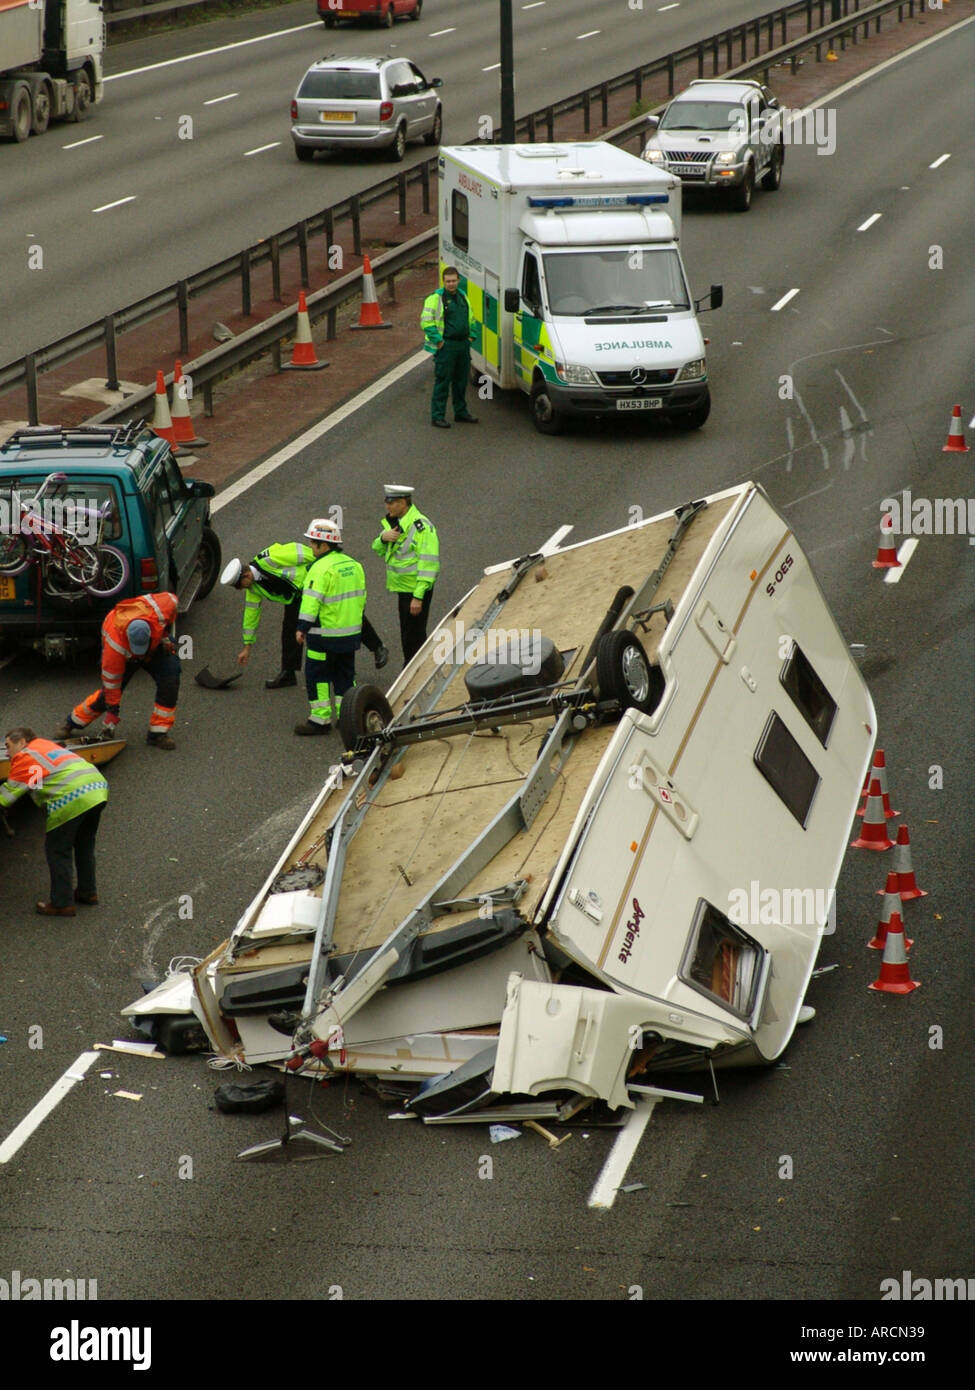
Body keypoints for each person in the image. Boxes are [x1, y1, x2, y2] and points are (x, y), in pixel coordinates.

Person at [221, 544, 388, 689]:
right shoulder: (253, 589)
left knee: (345, 617)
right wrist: (247, 646)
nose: (242, 590)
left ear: (247, 576)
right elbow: (251, 614)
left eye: (240, 586)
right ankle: (288, 672)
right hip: (295, 598)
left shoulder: (270, 558)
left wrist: (323, 566)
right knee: (289, 630)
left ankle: (378, 648)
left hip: (313, 585)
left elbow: (300, 552)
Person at [1, 727, 108, 917]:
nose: (7, 753)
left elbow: (6, 797)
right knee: (84, 845)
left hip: (73, 796)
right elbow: (37, 781)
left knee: (58, 850)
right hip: (97, 789)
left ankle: (61, 903)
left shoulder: (25, 756)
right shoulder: (45, 747)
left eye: (8, 746)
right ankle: (87, 892)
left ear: (22, 742)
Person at [54, 592, 181, 750]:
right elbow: (111, 687)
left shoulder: (162, 608)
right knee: (105, 698)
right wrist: (112, 715)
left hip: (155, 646)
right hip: (125, 655)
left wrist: (165, 637)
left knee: (170, 679)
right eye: (137, 650)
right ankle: (71, 723)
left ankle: (158, 734)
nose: (139, 654)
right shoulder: (114, 649)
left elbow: (172, 604)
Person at [294, 518, 367, 736]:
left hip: (323, 636)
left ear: (323, 545)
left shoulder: (319, 568)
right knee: (345, 675)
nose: (310, 546)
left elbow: (311, 602)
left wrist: (302, 628)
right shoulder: (354, 565)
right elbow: (361, 599)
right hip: (350, 634)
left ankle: (320, 720)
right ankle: (347, 718)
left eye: (313, 542)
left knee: (318, 676)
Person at [372, 484, 440, 665]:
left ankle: (413, 673)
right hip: (404, 589)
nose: (387, 506)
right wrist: (382, 539)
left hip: (415, 591)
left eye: (391, 503)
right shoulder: (395, 524)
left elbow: (429, 564)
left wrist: (418, 597)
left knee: (414, 638)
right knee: (408, 635)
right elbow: (377, 550)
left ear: (403, 502)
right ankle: (412, 669)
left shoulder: (421, 527)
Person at [420, 265, 479, 428]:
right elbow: (426, 322)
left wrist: (471, 336)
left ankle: (461, 412)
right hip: (447, 346)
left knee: (461, 382)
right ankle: (437, 416)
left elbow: (471, 318)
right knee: (443, 382)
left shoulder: (462, 296)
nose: (451, 284)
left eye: (453, 281)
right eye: (448, 281)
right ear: (443, 282)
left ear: (458, 281)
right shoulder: (435, 298)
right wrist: (439, 341)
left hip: (462, 345)